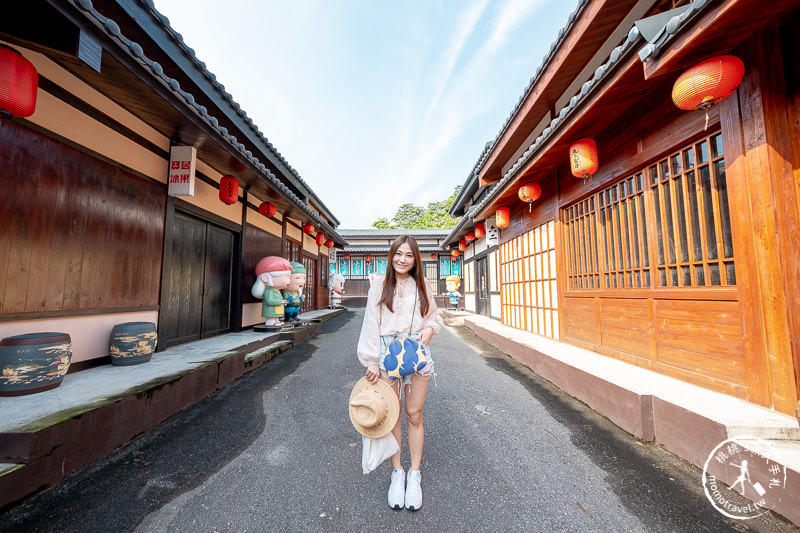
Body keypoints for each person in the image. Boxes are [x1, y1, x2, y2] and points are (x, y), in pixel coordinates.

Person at [356, 235, 440, 511]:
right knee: (391, 415)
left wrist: (429, 329)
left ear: (416, 259)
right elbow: (371, 323)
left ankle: (414, 474)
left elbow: (433, 317)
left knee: (414, 414)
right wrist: (370, 361)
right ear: (391, 256)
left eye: (409, 255)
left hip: (416, 354)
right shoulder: (379, 285)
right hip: (386, 357)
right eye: (398, 254)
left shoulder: (422, 285)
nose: (403, 260)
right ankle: (397, 473)